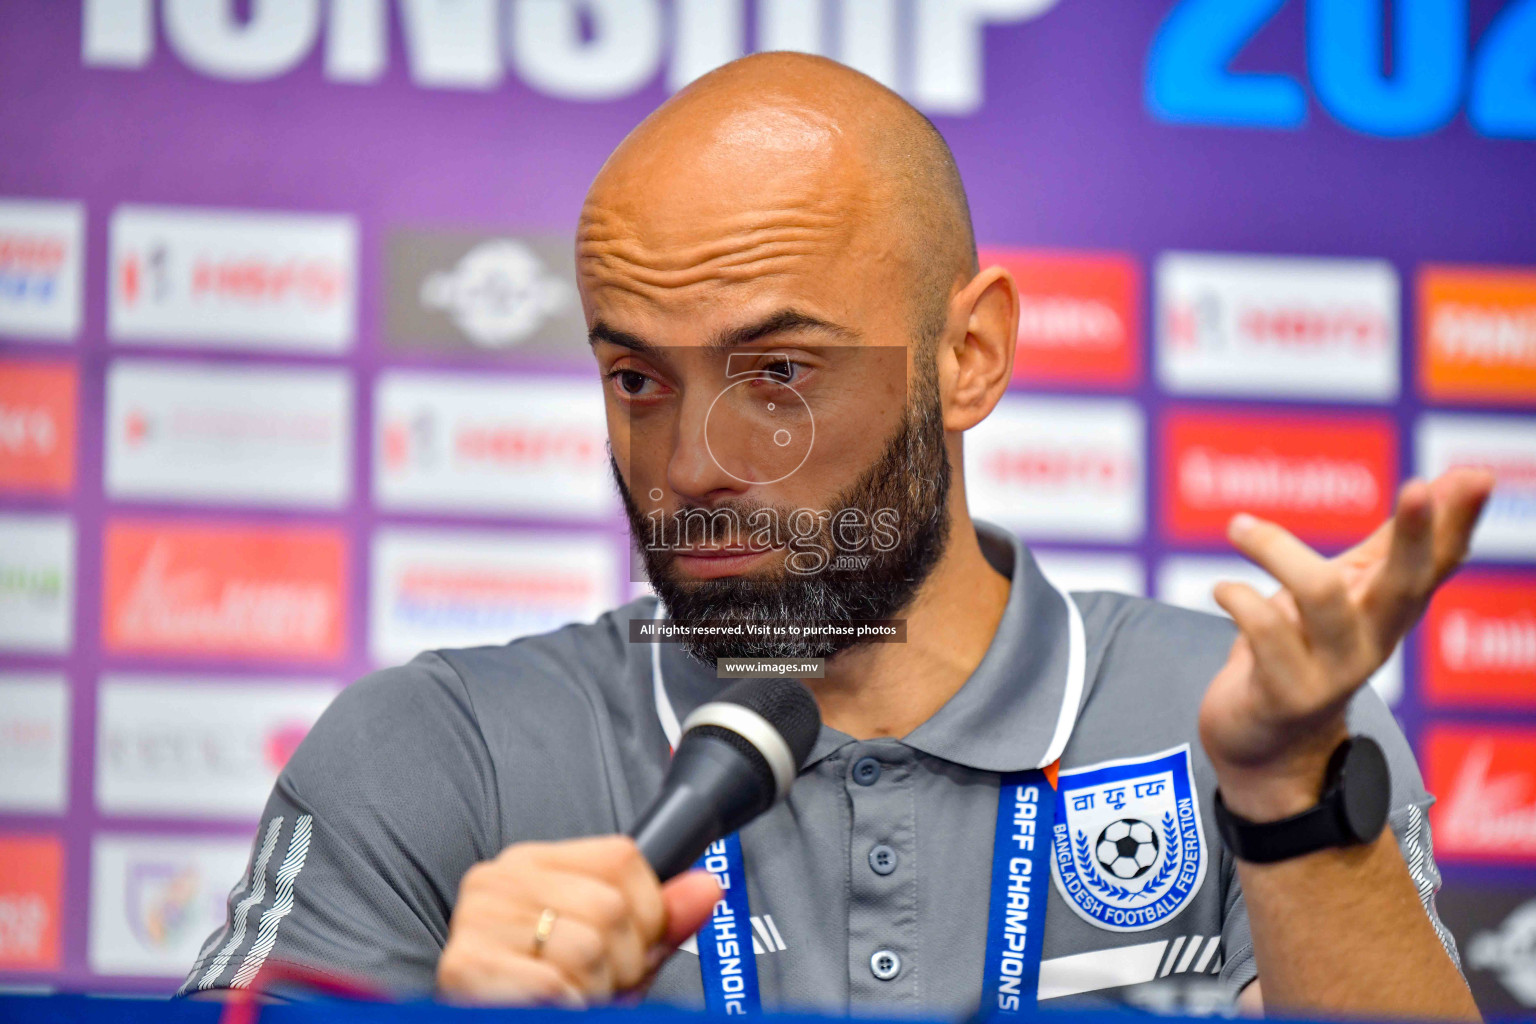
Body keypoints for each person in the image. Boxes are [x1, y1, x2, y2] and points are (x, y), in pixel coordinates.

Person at [182, 53, 1486, 1021]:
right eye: (638, 379)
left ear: (968, 357)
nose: (693, 465)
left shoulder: (1258, 732)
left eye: (781, 375)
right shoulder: (434, 761)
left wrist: (1287, 805)